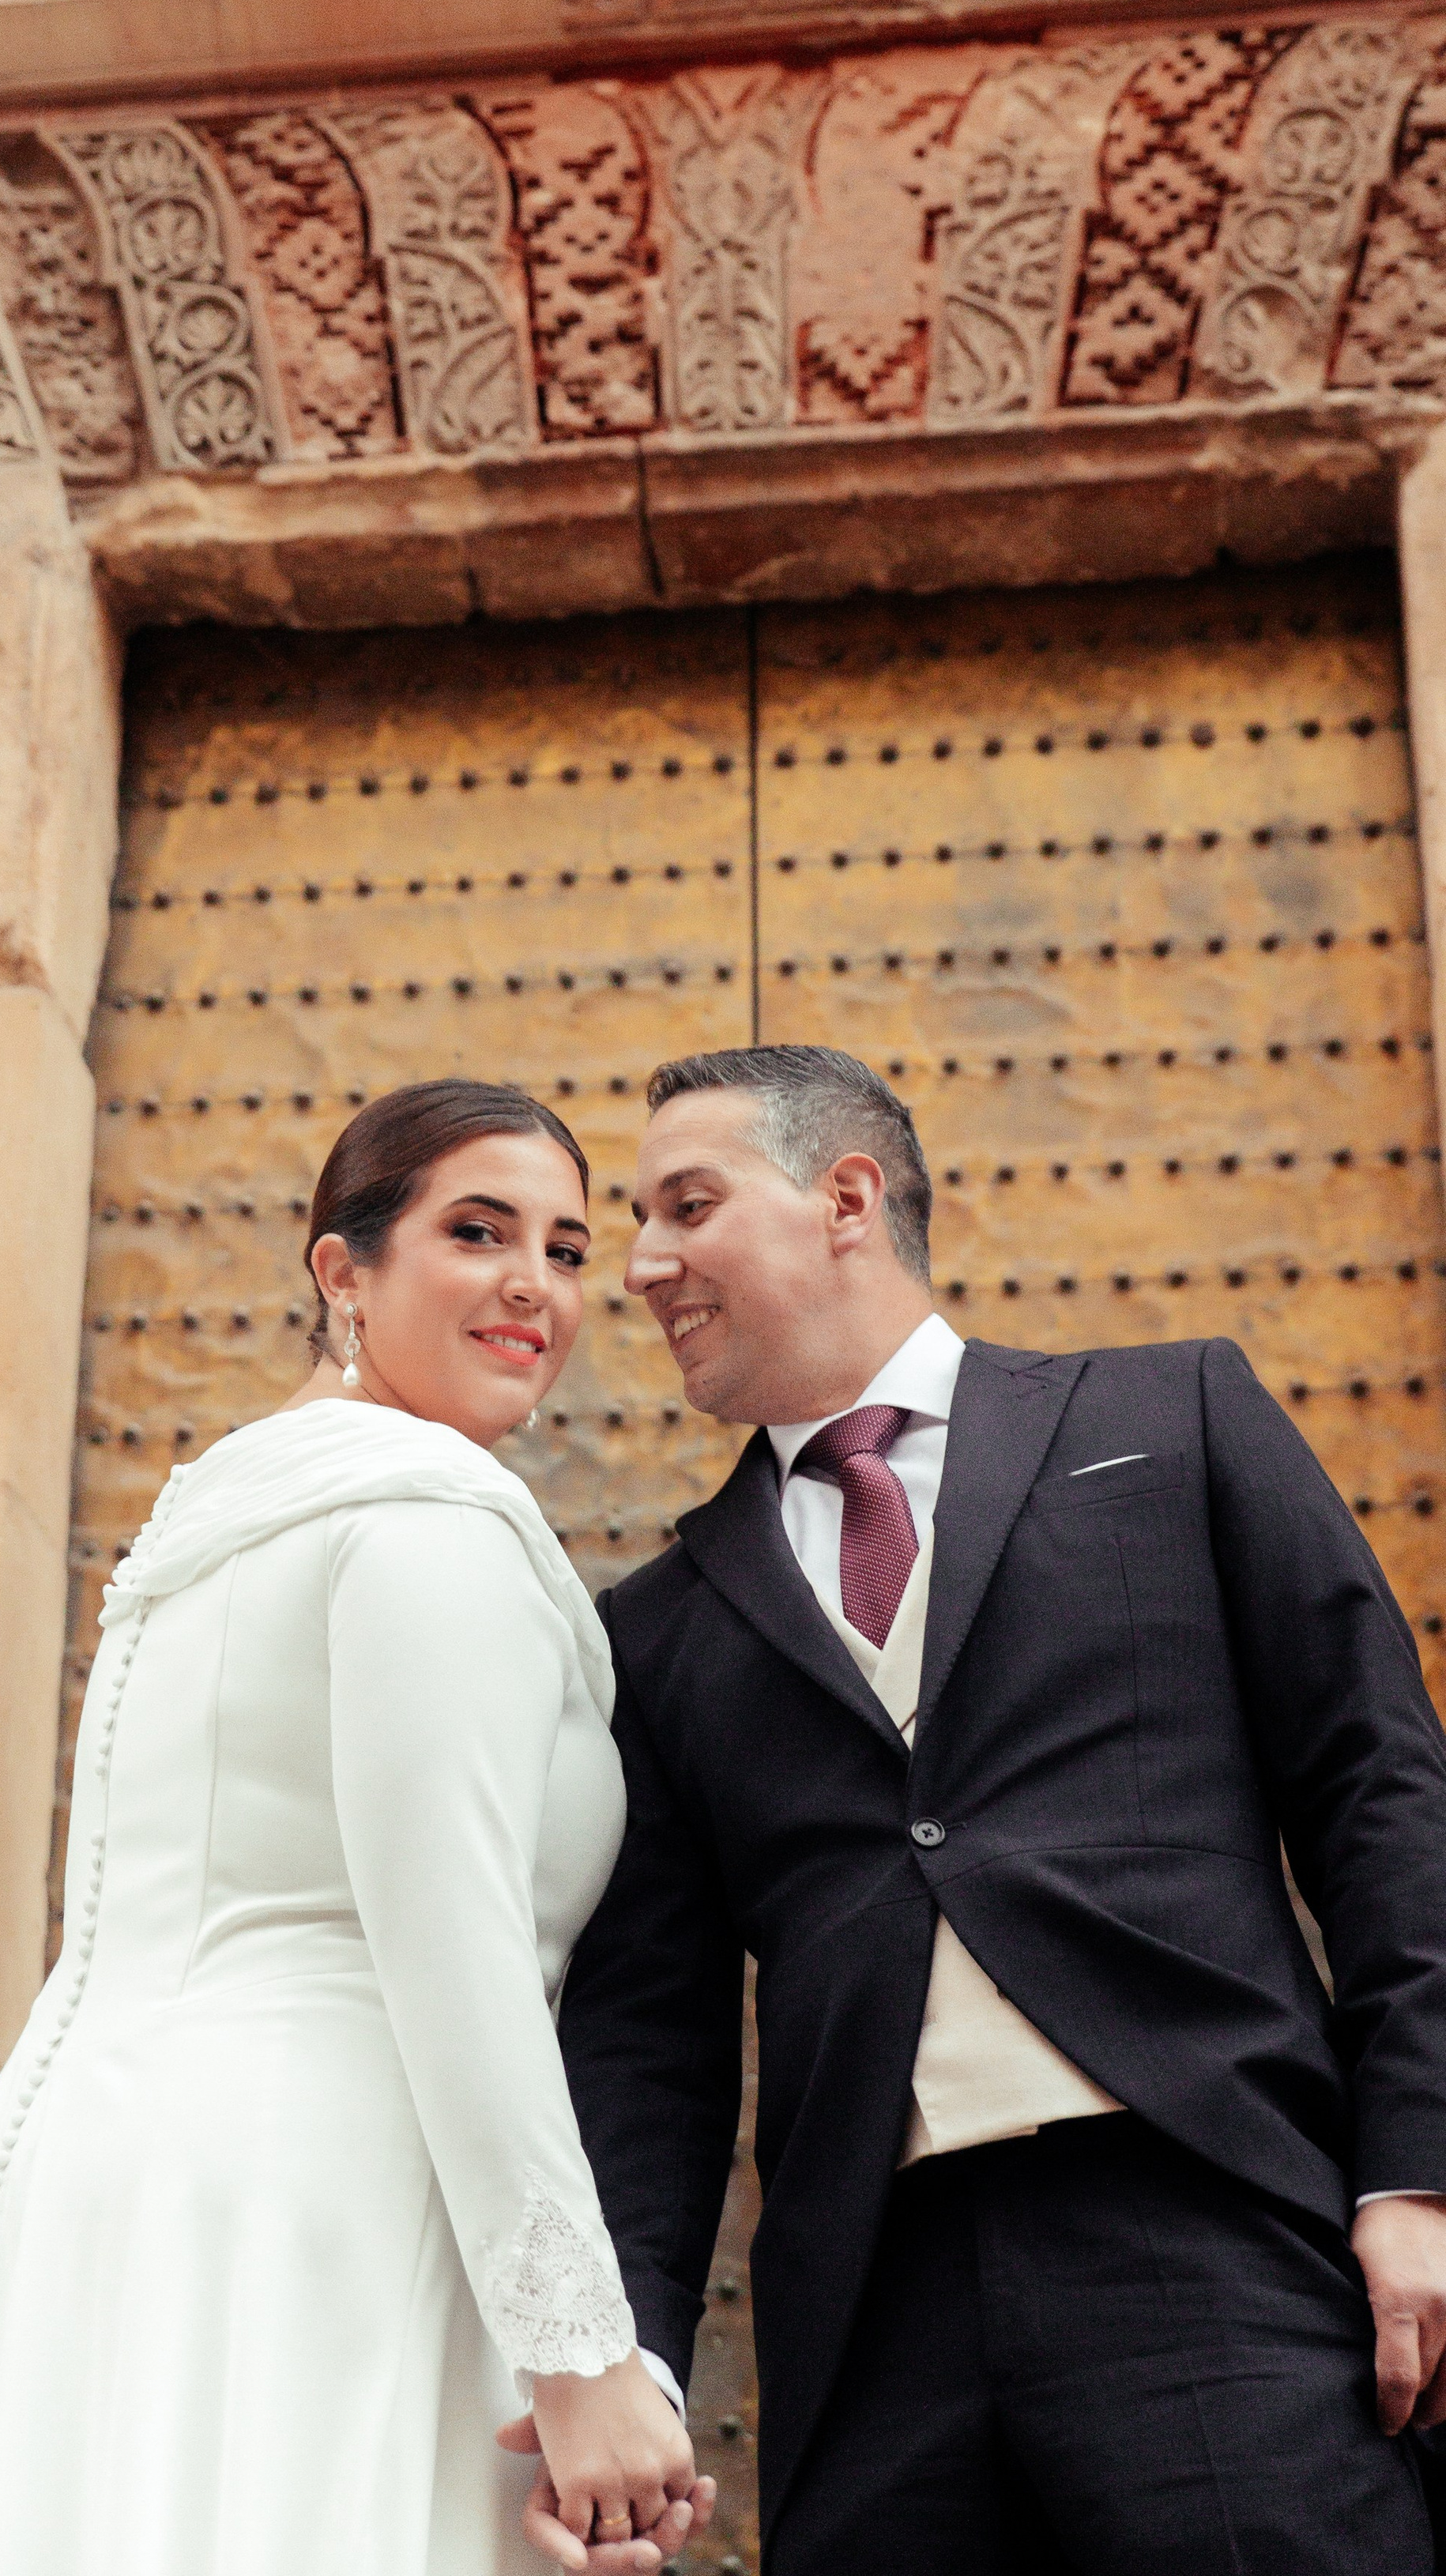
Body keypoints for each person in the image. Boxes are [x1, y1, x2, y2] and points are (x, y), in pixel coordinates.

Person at [0, 1079, 712, 2576]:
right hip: (323, 2208)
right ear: (341, 1272)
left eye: (566, 1249)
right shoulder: (427, 1528)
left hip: (114, 2194)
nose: (532, 1287)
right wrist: (579, 2358)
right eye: (477, 1232)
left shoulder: (208, 1529)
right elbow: (458, 1962)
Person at [551, 1041, 1446, 2576]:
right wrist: (630, 2363)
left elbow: (1377, 1792)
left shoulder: (1175, 1419)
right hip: (870, 2321)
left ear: (845, 1198)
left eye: (684, 1206)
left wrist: (1414, 2172)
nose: (640, 1266)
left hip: (1208, 2232)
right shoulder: (658, 1629)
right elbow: (650, 2049)